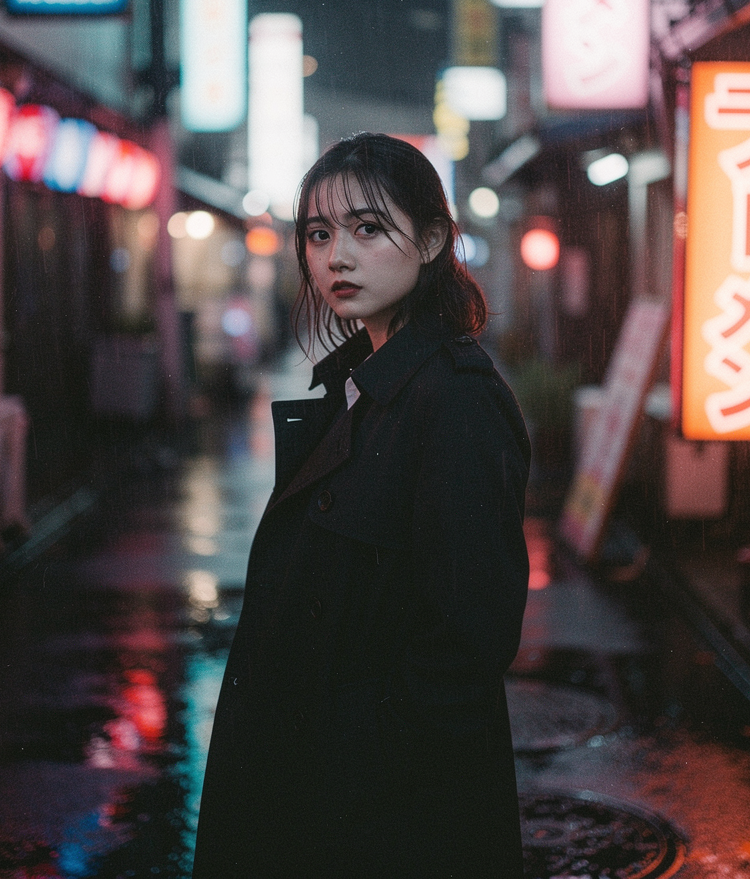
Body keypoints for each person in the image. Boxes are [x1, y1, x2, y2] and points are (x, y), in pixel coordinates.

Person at [192, 133, 531, 879]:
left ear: (434, 239)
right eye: (319, 234)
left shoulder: (454, 398)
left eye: (368, 229)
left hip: (384, 819)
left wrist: (353, 762)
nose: (336, 256)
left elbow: (467, 636)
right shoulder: (362, 381)